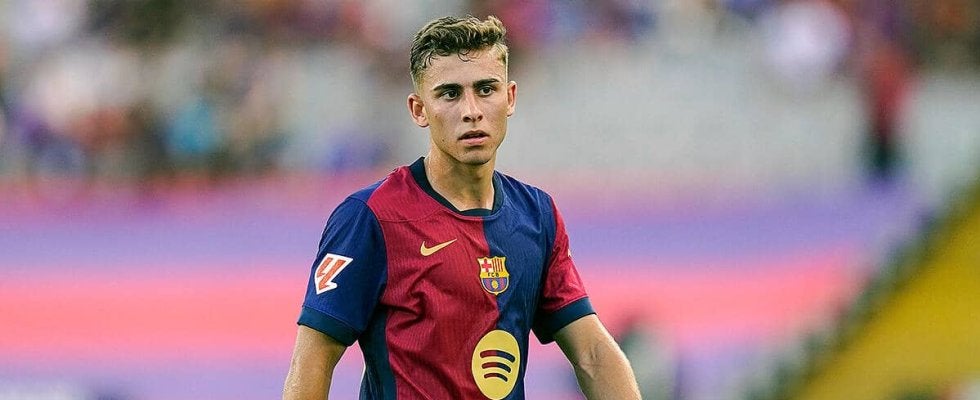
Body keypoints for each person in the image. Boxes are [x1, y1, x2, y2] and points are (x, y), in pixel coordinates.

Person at [283, 15, 641, 400]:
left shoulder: (537, 215)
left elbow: (592, 354)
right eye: (450, 94)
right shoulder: (371, 217)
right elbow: (314, 357)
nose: (471, 110)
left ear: (510, 97)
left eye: (486, 89)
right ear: (419, 110)